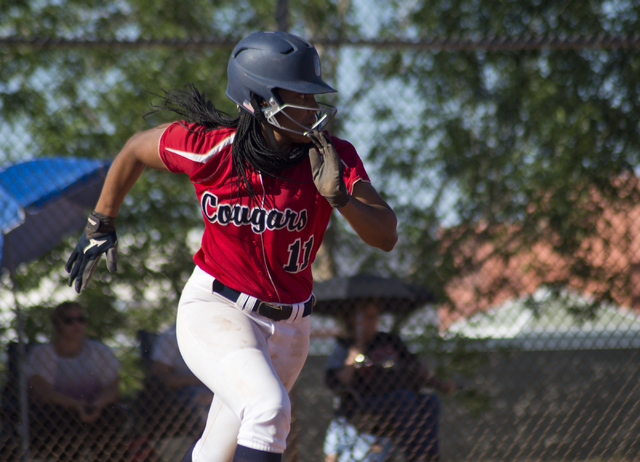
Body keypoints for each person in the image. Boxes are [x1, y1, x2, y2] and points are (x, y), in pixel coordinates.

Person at [65, 30, 398, 462]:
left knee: (214, 454)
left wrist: (341, 199)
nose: (313, 108)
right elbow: (133, 150)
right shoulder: (211, 147)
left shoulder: (331, 156)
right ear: (260, 102)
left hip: (291, 329)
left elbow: (385, 235)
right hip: (218, 311)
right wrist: (100, 222)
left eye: (314, 96)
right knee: (269, 410)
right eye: (300, 95)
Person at [325, 300, 456, 462]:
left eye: (375, 317)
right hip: (363, 408)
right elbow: (334, 382)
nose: (373, 321)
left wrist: (440, 384)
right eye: (367, 317)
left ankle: (427, 457)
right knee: (404, 398)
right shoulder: (343, 346)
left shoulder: (389, 341)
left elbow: (417, 368)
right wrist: (353, 357)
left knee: (430, 401)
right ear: (353, 320)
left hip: (399, 402)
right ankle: (414, 456)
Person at [25, 301, 126, 460]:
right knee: (63, 420)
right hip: (59, 414)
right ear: (57, 324)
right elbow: (43, 391)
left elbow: (113, 387)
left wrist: (97, 404)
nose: (76, 324)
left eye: (81, 319)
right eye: (69, 321)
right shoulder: (43, 353)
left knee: (114, 415)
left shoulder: (97, 350)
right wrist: (76, 405)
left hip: (95, 409)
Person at [150, 324, 213, 424]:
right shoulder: (171, 335)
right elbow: (162, 378)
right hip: (188, 388)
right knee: (206, 397)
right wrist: (202, 380)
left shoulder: (218, 329)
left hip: (214, 383)